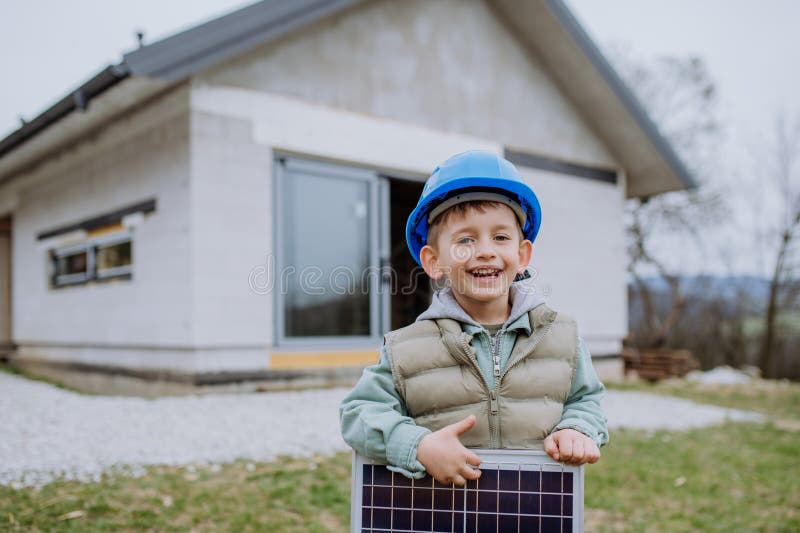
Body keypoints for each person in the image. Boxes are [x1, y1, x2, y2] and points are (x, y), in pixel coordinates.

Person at [339, 150, 608, 486]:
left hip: (532, 510)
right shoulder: (405, 349)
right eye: (465, 239)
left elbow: (586, 399)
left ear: (522, 254)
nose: (485, 250)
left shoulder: (560, 336)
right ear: (434, 261)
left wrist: (578, 427)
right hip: (443, 512)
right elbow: (357, 414)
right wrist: (418, 445)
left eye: (500, 237)